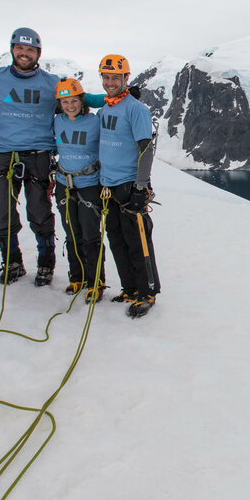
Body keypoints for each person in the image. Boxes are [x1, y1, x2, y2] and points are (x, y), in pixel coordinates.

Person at [0, 28, 61, 286]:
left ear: (38, 53)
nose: (24, 53)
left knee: (40, 212)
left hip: (39, 154)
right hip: (4, 153)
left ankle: (46, 264)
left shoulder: (51, 82)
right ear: (12, 49)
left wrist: (114, 97)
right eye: (20, 48)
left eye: (30, 50)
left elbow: (77, 98)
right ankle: (12, 261)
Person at [96, 54, 161, 318]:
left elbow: (145, 149)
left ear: (126, 78)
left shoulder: (136, 109)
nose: (110, 82)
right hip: (108, 186)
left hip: (128, 185)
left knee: (138, 241)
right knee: (117, 240)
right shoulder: (105, 107)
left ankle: (148, 292)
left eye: (116, 77)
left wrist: (140, 186)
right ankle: (130, 288)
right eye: (106, 77)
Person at [53, 78, 106, 303]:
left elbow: (113, 100)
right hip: (64, 183)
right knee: (71, 233)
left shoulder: (95, 121)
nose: (70, 106)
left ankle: (96, 282)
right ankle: (78, 277)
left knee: (90, 235)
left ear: (82, 100)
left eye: (74, 100)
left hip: (89, 184)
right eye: (65, 101)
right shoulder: (57, 121)